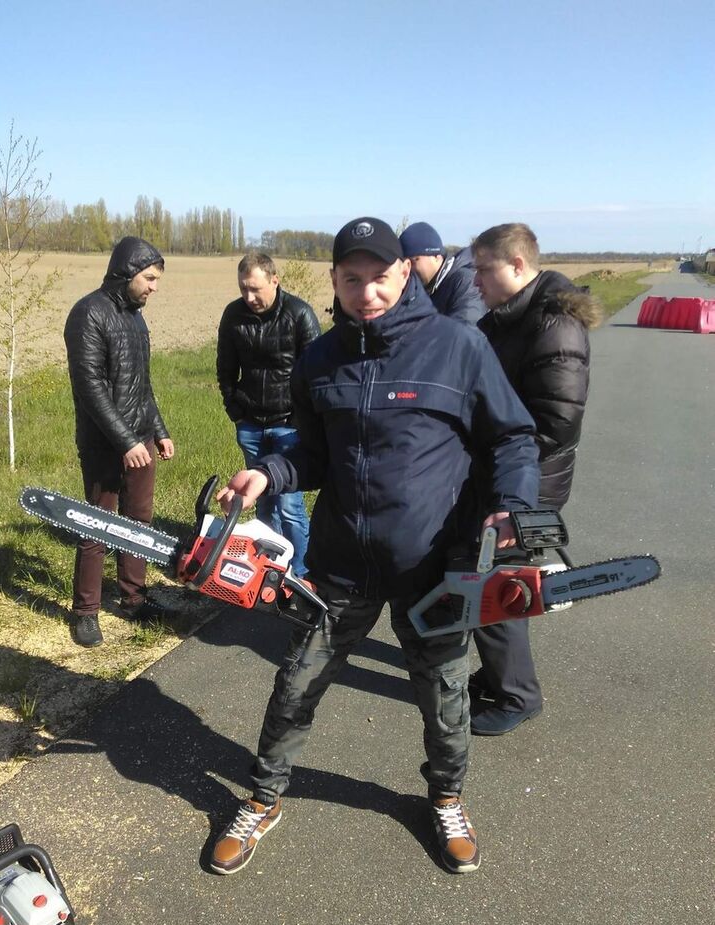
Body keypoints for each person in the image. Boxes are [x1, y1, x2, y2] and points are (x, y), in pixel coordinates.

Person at [210, 217, 539, 877]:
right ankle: (264, 797)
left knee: (444, 694)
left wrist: (512, 505)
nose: (368, 293)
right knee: (296, 683)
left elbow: (512, 437)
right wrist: (267, 474)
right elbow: (311, 455)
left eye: (380, 277)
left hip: (432, 566)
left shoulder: (458, 347)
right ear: (334, 280)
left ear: (404, 272)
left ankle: (446, 798)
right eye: (352, 279)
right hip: (342, 565)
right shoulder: (319, 359)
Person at [468, 223, 601, 736]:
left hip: (528, 480)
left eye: (484, 269)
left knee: (495, 581)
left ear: (518, 266)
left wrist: (494, 449)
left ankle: (516, 695)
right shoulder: (513, 316)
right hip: (505, 471)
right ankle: (498, 674)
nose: (475, 280)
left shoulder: (553, 324)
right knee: (491, 575)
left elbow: (555, 422)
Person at [64, 236, 174, 648]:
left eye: (157, 280)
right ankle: (85, 612)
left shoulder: (136, 318)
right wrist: (126, 441)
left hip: (140, 441)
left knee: (138, 523)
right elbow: (90, 387)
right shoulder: (88, 313)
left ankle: (133, 600)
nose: (154, 288)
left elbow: (142, 385)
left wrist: (158, 431)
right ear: (127, 273)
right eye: (149, 279)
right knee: (97, 528)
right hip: (104, 444)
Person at [216, 252, 320, 578]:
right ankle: (269, 571)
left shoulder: (299, 314)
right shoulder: (234, 315)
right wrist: (235, 409)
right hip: (250, 424)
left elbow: (316, 375)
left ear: (274, 281)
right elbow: (225, 369)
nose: (249, 297)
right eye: (243, 289)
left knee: (289, 507)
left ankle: (300, 574)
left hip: (289, 427)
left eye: (255, 288)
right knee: (261, 502)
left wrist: (302, 421)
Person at [399, 221, 485, 326]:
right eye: (404, 263)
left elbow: (466, 329)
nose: (409, 269)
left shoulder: (464, 282)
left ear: (436, 256)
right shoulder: (418, 290)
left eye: (413, 261)